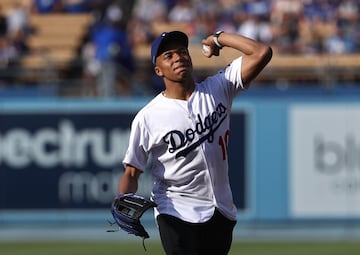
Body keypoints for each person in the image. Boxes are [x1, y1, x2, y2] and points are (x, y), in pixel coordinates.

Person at [118, 30, 272, 255]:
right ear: (158, 70)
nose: (178, 57)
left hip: (220, 209)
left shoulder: (219, 87)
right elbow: (132, 172)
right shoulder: (148, 116)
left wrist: (219, 38)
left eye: (182, 52)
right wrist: (122, 199)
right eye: (168, 55)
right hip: (175, 210)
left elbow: (261, 52)